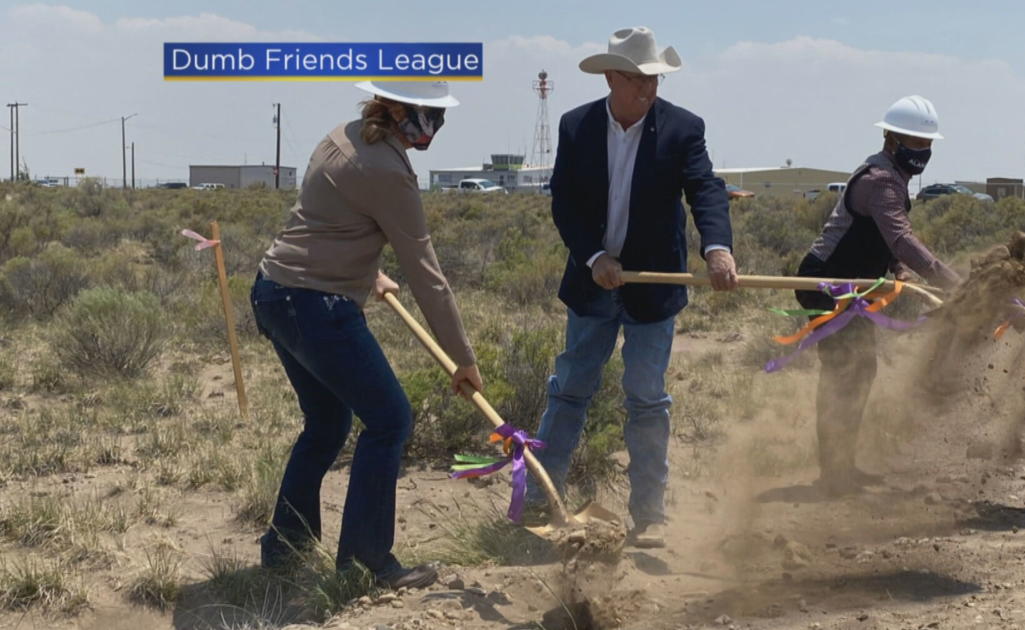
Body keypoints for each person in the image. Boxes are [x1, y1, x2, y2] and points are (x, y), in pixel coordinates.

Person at [250, 80, 482, 589]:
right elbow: (426, 273)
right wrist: (462, 358)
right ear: (397, 108)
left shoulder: (347, 134)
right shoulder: (387, 170)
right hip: (316, 305)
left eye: (439, 115)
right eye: (428, 114)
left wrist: (365, 271)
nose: (434, 126)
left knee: (328, 422)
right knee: (390, 419)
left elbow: (328, 216)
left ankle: (285, 549)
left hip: (275, 292)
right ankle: (365, 564)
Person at [528, 26, 737, 548]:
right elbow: (565, 204)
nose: (647, 90)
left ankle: (650, 516)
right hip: (593, 283)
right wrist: (594, 256)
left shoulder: (683, 129)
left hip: (652, 285)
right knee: (571, 388)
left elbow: (705, 189)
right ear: (611, 78)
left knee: (646, 397)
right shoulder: (576, 127)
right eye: (638, 81)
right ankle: (541, 500)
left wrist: (717, 247)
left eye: (654, 81)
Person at [794, 95, 963, 496]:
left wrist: (897, 270)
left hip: (858, 285)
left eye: (927, 145)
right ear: (891, 139)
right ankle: (833, 475)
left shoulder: (894, 178)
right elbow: (900, 237)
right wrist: (948, 280)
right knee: (844, 372)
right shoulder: (879, 180)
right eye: (914, 143)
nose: (921, 152)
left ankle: (842, 467)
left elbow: (884, 240)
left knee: (860, 370)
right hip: (828, 283)